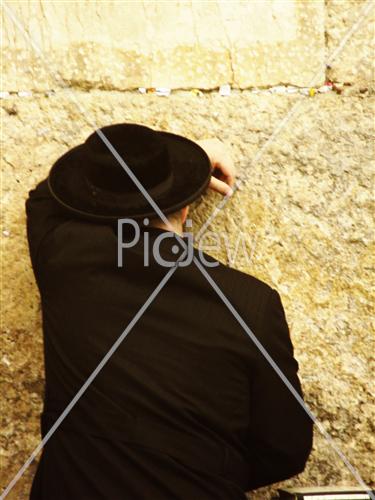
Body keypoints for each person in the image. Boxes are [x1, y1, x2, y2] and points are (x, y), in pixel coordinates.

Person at [26, 123, 313, 500]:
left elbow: (46, 197)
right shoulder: (251, 303)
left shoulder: (63, 258)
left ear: (94, 206)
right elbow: (286, 447)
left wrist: (186, 159)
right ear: (187, 204)